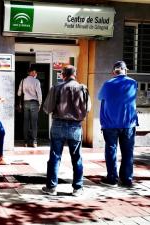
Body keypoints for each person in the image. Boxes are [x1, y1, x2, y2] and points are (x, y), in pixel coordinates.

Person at [42, 65, 91, 196]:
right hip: (75, 126)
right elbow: (88, 108)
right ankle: (78, 188)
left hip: (58, 125)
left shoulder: (56, 88)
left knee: (55, 157)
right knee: (77, 158)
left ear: (63, 75)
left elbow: (47, 108)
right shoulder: (83, 88)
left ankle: (51, 187)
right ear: (75, 74)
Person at [98, 60, 138, 188]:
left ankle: (112, 178)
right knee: (128, 152)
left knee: (111, 151)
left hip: (110, 124)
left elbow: (100, 98)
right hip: (128, 124)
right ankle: (126, 179)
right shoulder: (133, 83)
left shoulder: (107, 84)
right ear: (126, 70)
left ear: (113, 72)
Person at [17, 67, 42, 147]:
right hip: (34, 102)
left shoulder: (23, 81)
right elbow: (39, 94)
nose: (35, 74)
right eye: (35, 72)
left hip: (26, 103)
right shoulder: (36, 81)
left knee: (26, 122)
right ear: (31, 72)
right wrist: (40, 103)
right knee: (34, 123)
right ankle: (34, 142)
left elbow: (19, 93)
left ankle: (26, 142)